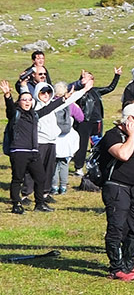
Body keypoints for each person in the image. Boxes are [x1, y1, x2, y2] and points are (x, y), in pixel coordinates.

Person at [97, 100, 134, 279]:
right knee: (117, 227)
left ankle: (129, 263)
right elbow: (123, 154)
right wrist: (131, 135)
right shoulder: (112, 136)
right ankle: (116, 267)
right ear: (127, 119)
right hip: (116, 188)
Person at [9, 81, 81, 213]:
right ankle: (16, 205)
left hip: (33, 151)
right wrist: (7, 96)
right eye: (24, 100)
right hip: (19, 151)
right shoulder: (16, 115)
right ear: (19, 102)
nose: (27, 102)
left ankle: (39, 204)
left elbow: (49, 108)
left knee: (41, 177)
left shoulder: (35, 115)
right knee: (17, 178)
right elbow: (10, 109)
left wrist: (64, 98)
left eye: (29, 100)